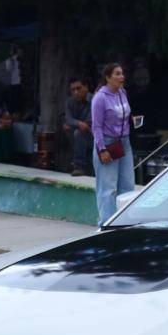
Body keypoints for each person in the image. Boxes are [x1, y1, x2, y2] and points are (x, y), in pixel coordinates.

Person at [90, 62, 136, 224]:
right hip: (108, 143)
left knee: (128, 184)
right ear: (108, 77)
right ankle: (107, 222)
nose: (121, 77)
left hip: (124, 142)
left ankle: (125, 220)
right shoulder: (100, 98)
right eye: (117, 74)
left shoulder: (122, 93)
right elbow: (96, 127)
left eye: (122, 73)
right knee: (108, 188)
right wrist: (102, 149)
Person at [63, 79, 93, 175]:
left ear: (86, 87)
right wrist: (79, 124)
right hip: (80, 133)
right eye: (73, 90)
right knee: (68, 128)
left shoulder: (94, 99)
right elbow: (68, 118)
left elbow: (91, 121)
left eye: (78, 88)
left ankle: (79, 166)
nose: (76, 92)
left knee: (78, 132)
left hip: (95, 134)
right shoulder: (70, 102)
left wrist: (75, 124)